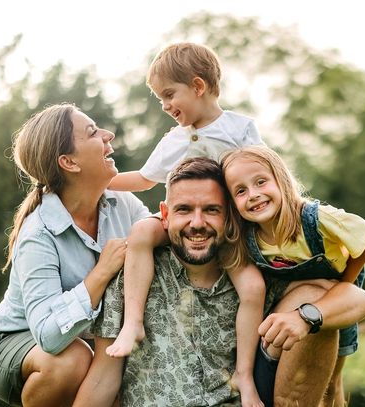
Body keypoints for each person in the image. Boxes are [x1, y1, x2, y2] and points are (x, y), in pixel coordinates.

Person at [74, 157, 365, 406]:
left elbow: (360, 300)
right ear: (164, 215)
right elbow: (103, 378)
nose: (197, 223)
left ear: (230, 216)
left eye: (211, 210)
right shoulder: (134, 277)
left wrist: (304, 318)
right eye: (184, 210)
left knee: (315, 307)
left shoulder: (261, 272)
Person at [106, 42, 266, 407]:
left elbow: (263, 174)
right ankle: (133, 323)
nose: (164, 106)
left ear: (198, 86)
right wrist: (100, 181)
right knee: (144, 231)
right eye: (159, 99)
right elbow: (145, 180)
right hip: (181, 225)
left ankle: (243, 374)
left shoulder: (239, 129)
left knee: (254, 290)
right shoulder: (173, 141)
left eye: (168, 95)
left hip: (228, 230)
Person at [0, 103, 151, 406]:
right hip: (16, 341)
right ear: (69, 162)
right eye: (93, 132)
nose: (108, 136)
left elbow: (152, 238)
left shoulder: (122, 202)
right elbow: (47, 334)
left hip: (84, 342)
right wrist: (100, 273)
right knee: (71, 362)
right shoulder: (38, 234)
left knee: (114, 363)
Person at [221, 145, 365, 407]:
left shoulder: (315, 218)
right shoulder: (251, 237)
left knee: (333, 382)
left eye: (261, 182)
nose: (253, 195)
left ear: (280, 180)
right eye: (241, 191)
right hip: (295, 299)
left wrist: (345, 282)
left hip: (336, 300)